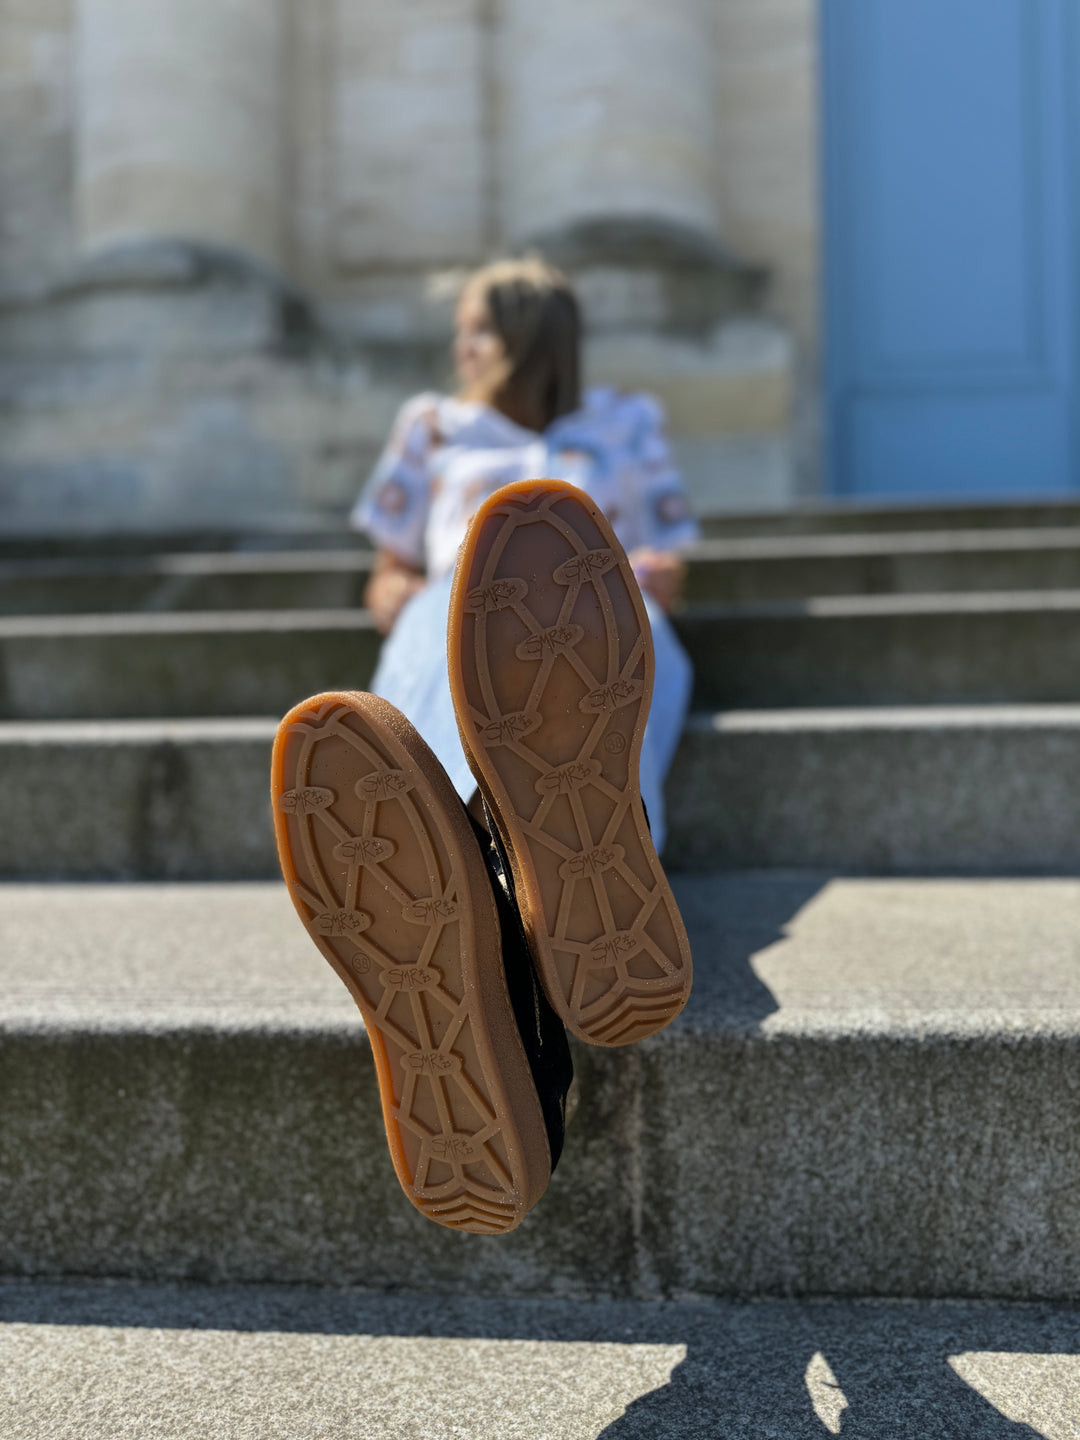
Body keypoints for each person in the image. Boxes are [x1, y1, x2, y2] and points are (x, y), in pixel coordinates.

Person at [351, 255, 700, 854]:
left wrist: (664, 575)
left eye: (481, 331)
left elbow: (664, 554)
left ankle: (603, 855)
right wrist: (388, 592)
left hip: (598, 597)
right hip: (461, 595)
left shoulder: (626, 422)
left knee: (636, 631)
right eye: (462, 331)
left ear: (535, 339)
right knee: (444, 625)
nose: (463, 347)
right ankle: (457, 838)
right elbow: (390, 567)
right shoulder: (433, 425)